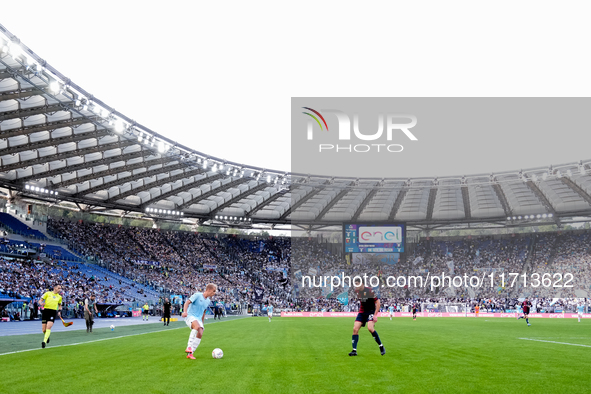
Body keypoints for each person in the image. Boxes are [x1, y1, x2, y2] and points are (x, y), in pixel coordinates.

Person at [182, 283, 217, 360]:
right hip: (190, 316)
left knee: (200, 332)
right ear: (209, 290)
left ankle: (190, 353)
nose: (214, 293)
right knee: (197, 326)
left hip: (198, 319)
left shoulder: (208, 301)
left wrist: (202, 323)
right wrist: (185, 312)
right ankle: (189, 347)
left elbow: (203, 312)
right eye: (214, 291)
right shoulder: (197, 295)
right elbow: (187, 302)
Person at [349, 284, 385, 356]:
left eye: (357, 284)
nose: (356, 286)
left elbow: (378, 302)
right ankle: (354, 350)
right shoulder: (357, 291)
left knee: (370, 328)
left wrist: (375, 315)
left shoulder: (370, 291)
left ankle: (381, 346)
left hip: (370, 312)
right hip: (362, 312)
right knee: (355, 329)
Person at [38, 284, 63, 348]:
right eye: (59, 288)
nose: (60, 289)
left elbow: (60, 305)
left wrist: (59, 311)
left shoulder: (59, 297)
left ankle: (44, 341)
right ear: (54, 288)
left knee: (48, 327)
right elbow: (40, 301)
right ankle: (47, 336)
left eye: (60, 288)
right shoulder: (47, 293)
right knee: (44, 330)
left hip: (53, 312)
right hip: (46, 311)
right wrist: (41, 303)